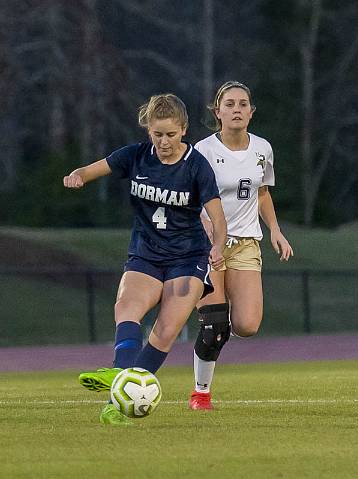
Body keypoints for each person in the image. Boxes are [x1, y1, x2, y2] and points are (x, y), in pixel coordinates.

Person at [63, 93, 227, 425]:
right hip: (147, 253)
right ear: (148, 130)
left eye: (170, 134)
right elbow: (90, 169)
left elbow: (218, 219)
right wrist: (78, 175)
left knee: (166, 330)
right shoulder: (135, 156)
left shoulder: (196, 166)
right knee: (126, 307)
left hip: (187, 258)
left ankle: (116, 403)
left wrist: (218, 247)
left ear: (183, 129)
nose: (164, 141)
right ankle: (119, 373)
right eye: (157, 134)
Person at [188, 81, 294, 410]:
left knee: (246, 325)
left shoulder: (262, 149)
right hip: (207, 246)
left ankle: (212, 325)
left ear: (251, 112)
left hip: (246, 243)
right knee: (215, 324)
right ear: (217, 112)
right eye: (230, 104)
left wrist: (275, 229)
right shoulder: (202, 152)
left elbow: (262, 192)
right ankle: (200, 394)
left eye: (243, 104)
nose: (237, 109)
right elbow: (186, 197)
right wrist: (202, 223)